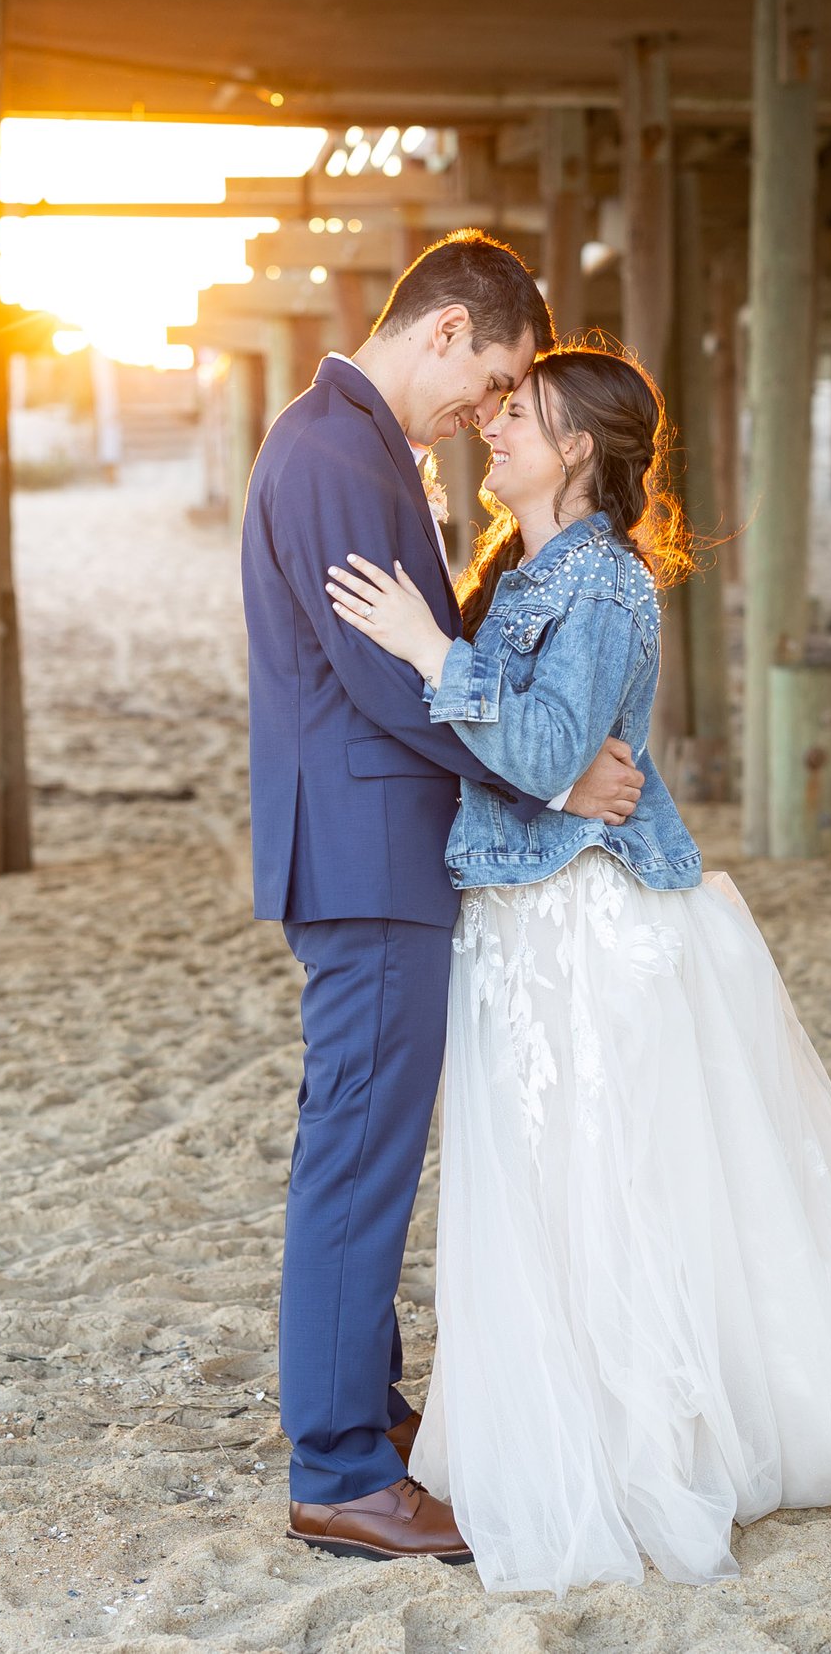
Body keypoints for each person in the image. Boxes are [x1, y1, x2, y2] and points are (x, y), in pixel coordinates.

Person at [322, 344, 831, 1594]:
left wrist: (431, 648)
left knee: (608, 1182)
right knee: (551, 1190)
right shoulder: (526, 564)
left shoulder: (603, 582)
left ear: (579, 448)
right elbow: (527, 746)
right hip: (519, 917)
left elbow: (542, 746)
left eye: (520, 415)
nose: (493, 427)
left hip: (583, 925)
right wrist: (445, 606)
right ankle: (575, 1420)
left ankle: (646, 1439)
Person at [240, 231, 647, 1565]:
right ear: (449, 331)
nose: (488, 411)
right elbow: (384, 678)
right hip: (366, 854)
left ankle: (373, 1414)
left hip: (377, 846)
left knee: (372, 1147)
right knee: (357, 1155)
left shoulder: (349, 444)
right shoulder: (334, 450)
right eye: (496, 379)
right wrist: (548, 775)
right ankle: (341, 1465)